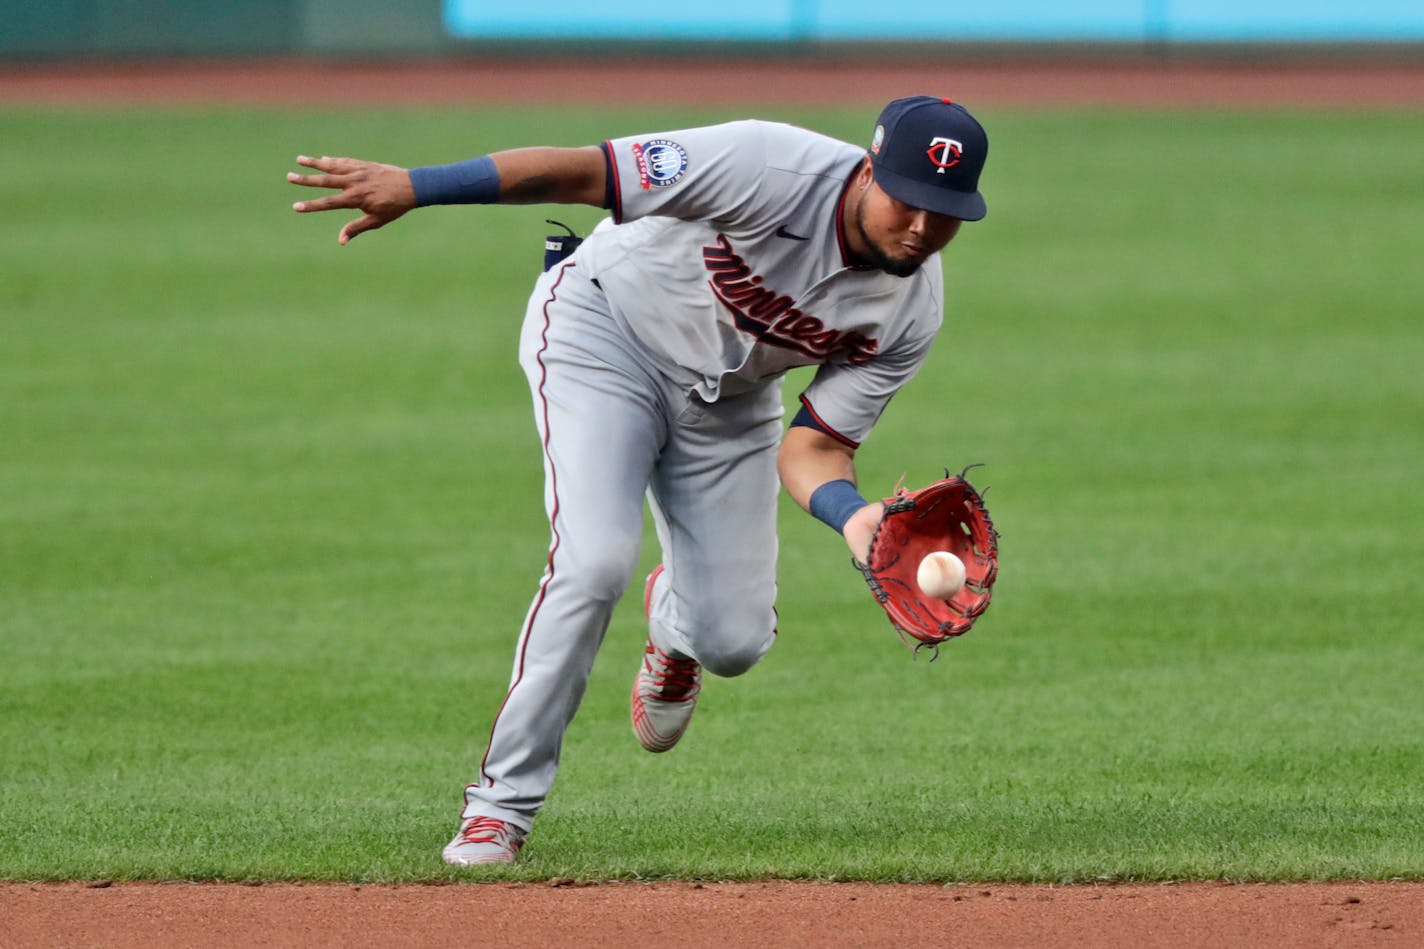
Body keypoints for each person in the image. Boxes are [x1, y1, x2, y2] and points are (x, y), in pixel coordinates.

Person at [287, 95, 989, 865]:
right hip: (604, 335)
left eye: (946, 212)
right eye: (908, 200)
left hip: (730, 405)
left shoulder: (911, 309)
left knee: (735, 640)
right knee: (594, 561)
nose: (922, 227)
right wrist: (419, 185)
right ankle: (500, 808)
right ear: (868, 168)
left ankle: (673, 622)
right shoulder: (765, 164)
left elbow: (815, 449)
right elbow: (583, 172)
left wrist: (858, 520)